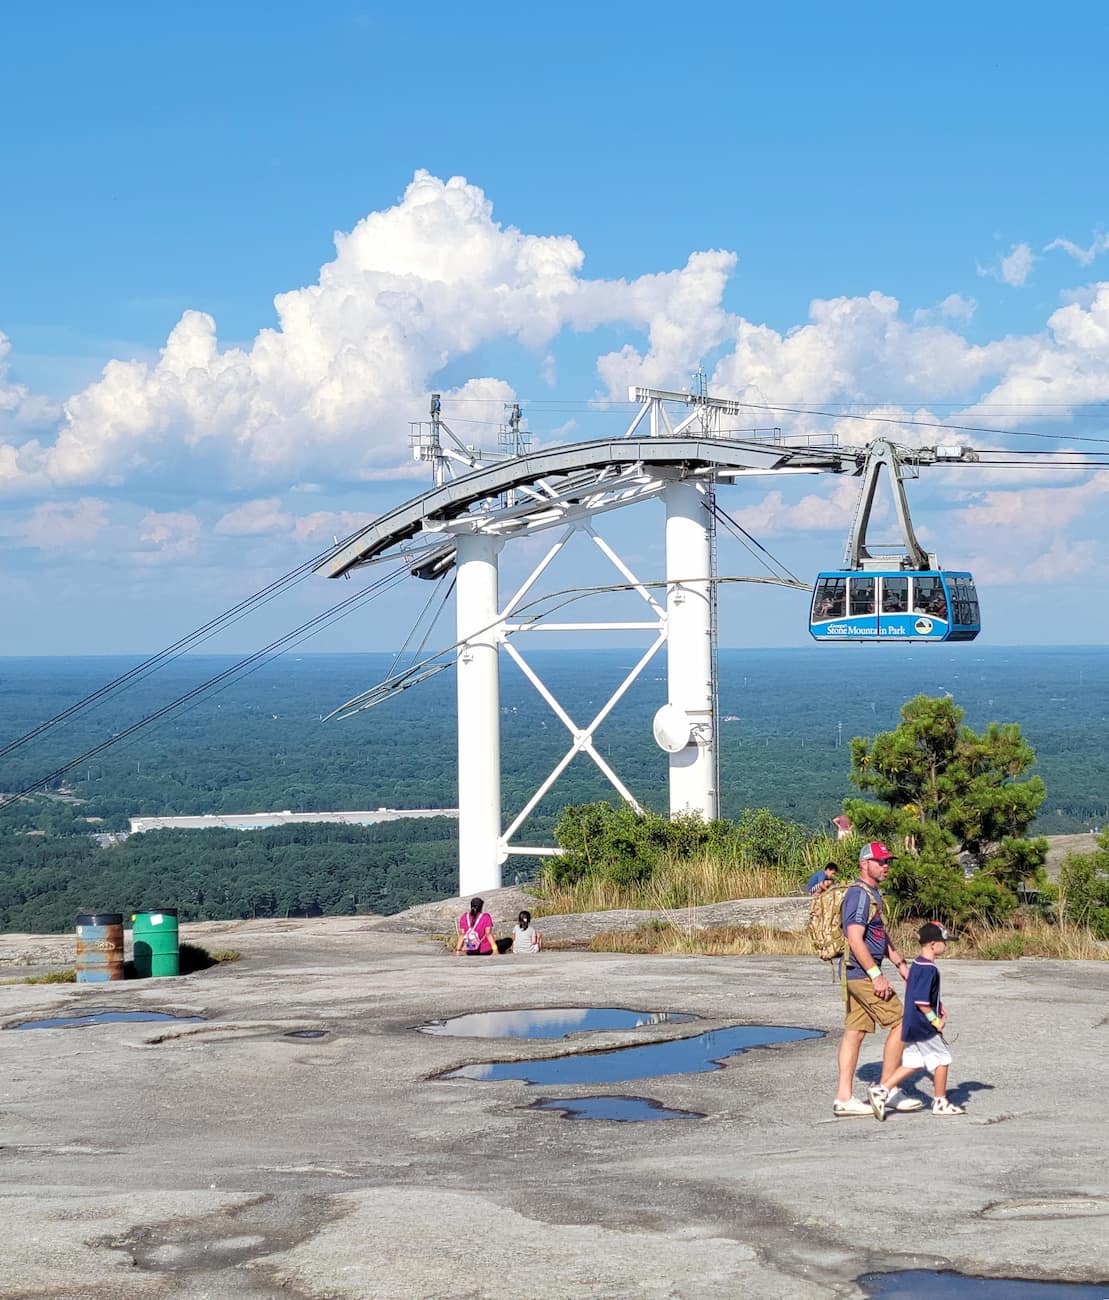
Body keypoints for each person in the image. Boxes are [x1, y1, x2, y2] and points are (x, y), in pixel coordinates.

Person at [832, 842, 922, 1117]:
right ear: (864, 864)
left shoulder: (872, 894)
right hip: (862, 974)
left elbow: (879, 936)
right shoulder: (859, 895)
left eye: (887, 862)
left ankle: (844, 1098)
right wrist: (877, 976)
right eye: (880, 862)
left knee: (855, 1032)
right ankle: (887, 1088)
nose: (886, 866)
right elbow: (855, 938)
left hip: (856, 973)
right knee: (902, 1023)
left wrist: (900, 964)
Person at [868, 922, 965, 1119]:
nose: (945, 945)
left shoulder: (917, 964)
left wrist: (939, 1004)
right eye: (943, 942)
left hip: (912, 1022)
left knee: (914, 1062)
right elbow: (921, 1000)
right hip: (923, 1026)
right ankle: (940, 1101)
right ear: (932, 944)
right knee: (942, 1060)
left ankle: (882, 1090)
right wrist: (934, 1019)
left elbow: (920, 993)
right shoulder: (928, 969)